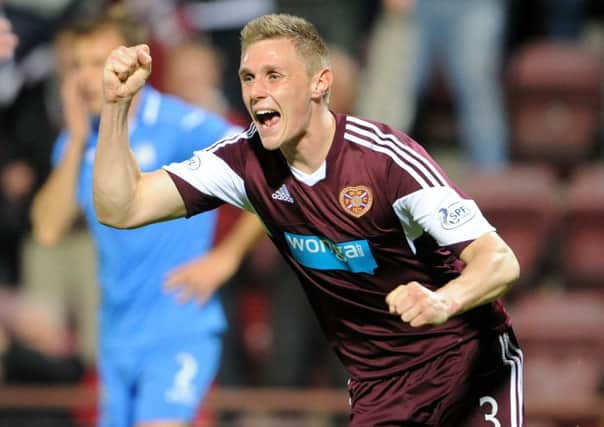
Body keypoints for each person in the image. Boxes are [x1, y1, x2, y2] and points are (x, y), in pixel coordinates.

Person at [94, 13, 524, 426]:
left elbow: (500, 261)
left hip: (467, 359)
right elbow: (122, 207)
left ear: (320, 83)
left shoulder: (384, 160)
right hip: (380, 388)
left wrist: (442, 301)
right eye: (248, 78)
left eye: (274, 76)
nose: (257, 91)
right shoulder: (243, 163)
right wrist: (115, 109)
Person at [30, 8, 256, 427]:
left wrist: (226, 257)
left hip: (178, 327)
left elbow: (271, 168)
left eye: (99, 62)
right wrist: (78, 138)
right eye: (77, 65)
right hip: (115, 339)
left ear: (136, 65)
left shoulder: (179, 124)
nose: (86, 77)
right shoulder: (78, 143)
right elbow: (46, 229)